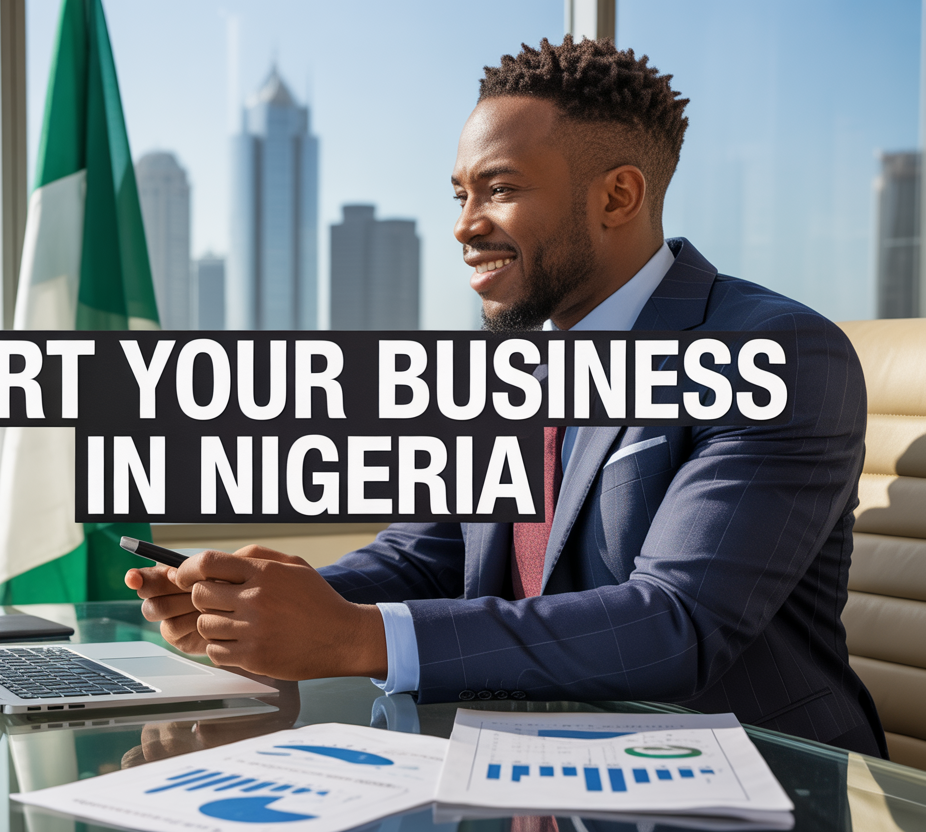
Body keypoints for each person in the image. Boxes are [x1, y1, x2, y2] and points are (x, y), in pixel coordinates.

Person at [126, 36, 886, 758]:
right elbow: (429, 553)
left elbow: (676, 622)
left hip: (745, 779)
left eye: (499, 190)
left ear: (618, 196)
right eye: (460, 194)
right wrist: (265, 607)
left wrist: (356, 636)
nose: (464, 225)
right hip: (522, 764)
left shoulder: (771, 354)